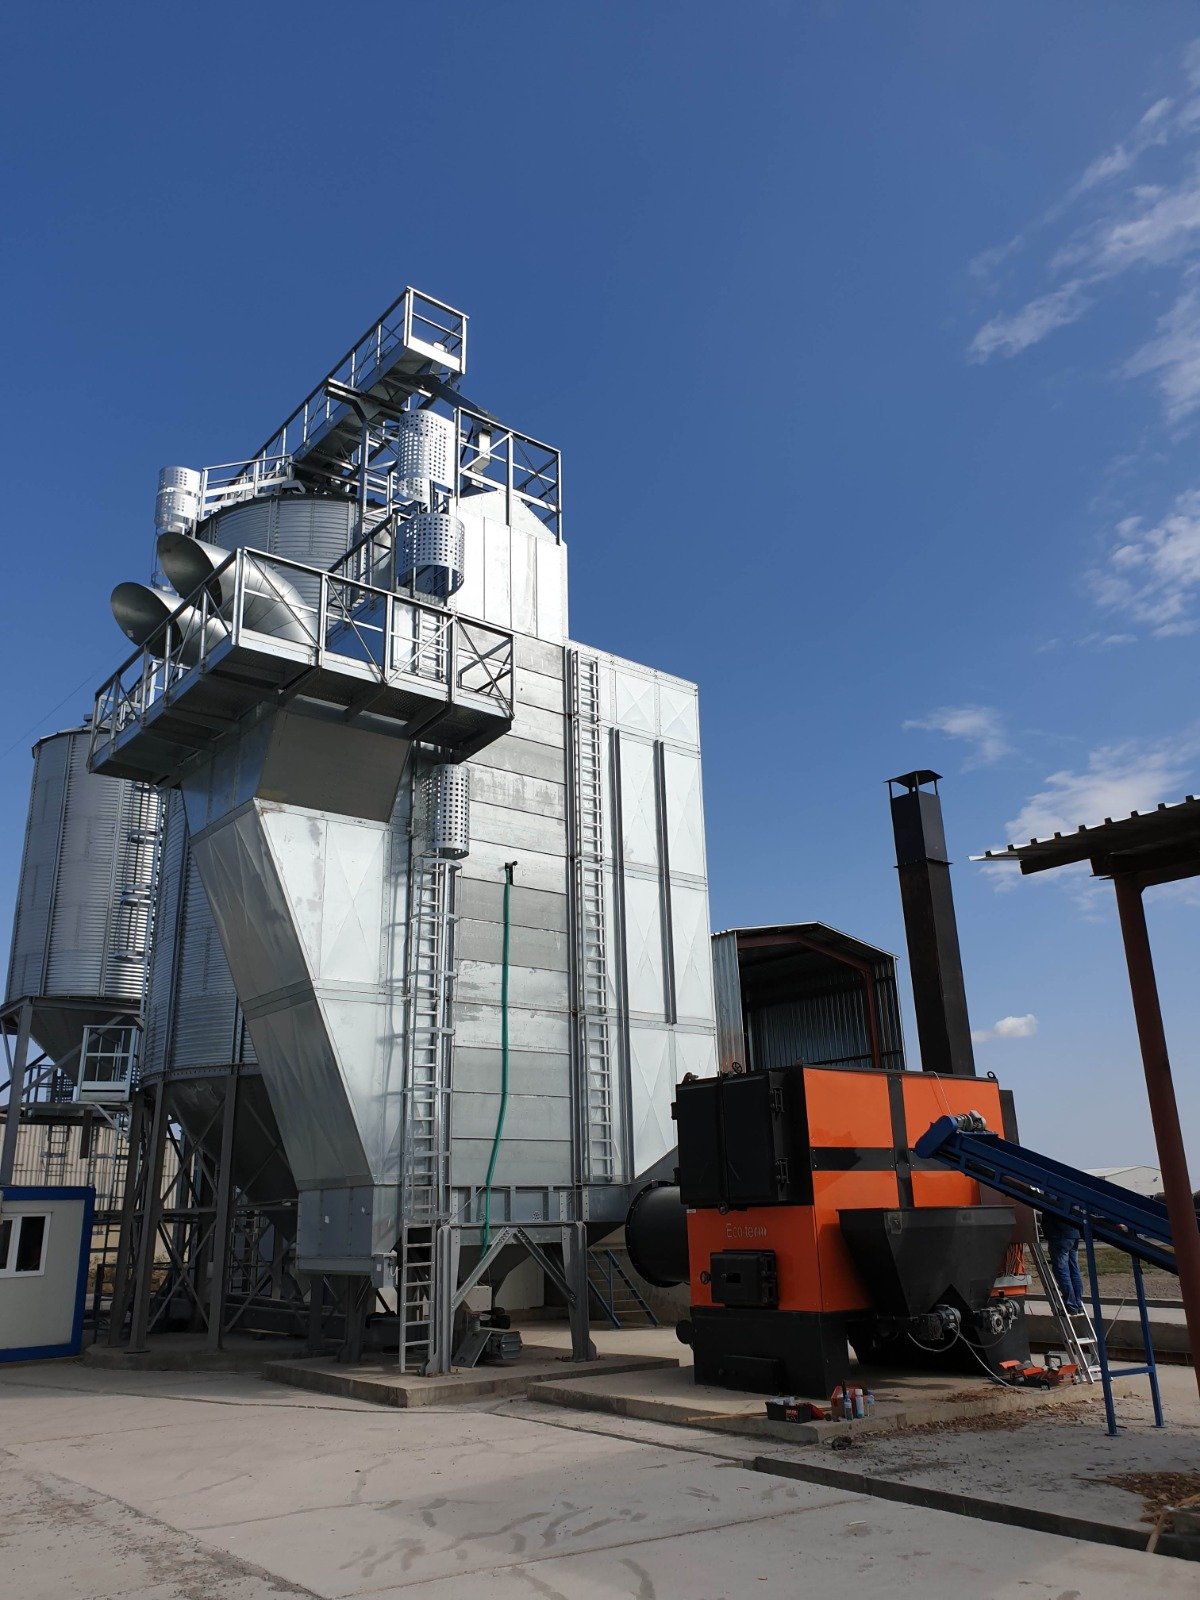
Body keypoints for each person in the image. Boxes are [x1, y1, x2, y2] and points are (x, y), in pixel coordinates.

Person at [1041, 1213, 1085, 1314]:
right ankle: (1078, 1303)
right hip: (1073, 1233)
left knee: (1062, 1270)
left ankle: (1070, 1304)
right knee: (1074, 1269)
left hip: (1059, 1233)